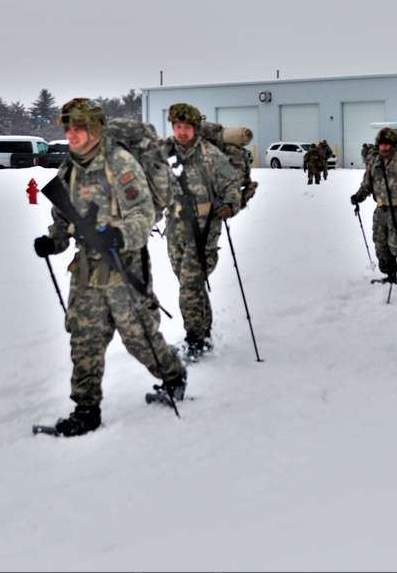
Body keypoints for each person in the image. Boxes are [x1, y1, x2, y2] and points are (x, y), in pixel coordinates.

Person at [33, 98, 187, 436]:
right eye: (68, 128)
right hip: (86, 268)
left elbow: (143, 213)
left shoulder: (120, 163)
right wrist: (53, 241)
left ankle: (173, 374)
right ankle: (86, 410)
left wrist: (121, 234)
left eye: (79, 128)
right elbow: (63, 217)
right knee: (84, 338)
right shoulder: (69, 167)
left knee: (138, 338)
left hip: (123, 264)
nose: (72, 134)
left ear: (94, 129)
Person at [161, 103, 242, 360]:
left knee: (189, 285)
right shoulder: (164, 153)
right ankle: (204, 332)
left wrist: (230, 204)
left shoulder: (210, 155)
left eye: (186, 127)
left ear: (195, 128)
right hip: (175, 229)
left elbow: (231, 183)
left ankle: (195, 340)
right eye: (177, 127)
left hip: (204, 228)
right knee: (190, 285)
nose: (182, 132)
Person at [350, 127, 397, 284]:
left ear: (394, 145)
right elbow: (367, 184)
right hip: (380, 210)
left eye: (387, 144)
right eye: (381, 144)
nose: (384, 147)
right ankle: (390, 275)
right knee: (380, 245)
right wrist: (358, 197)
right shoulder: (374, 163)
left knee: (396, 245)